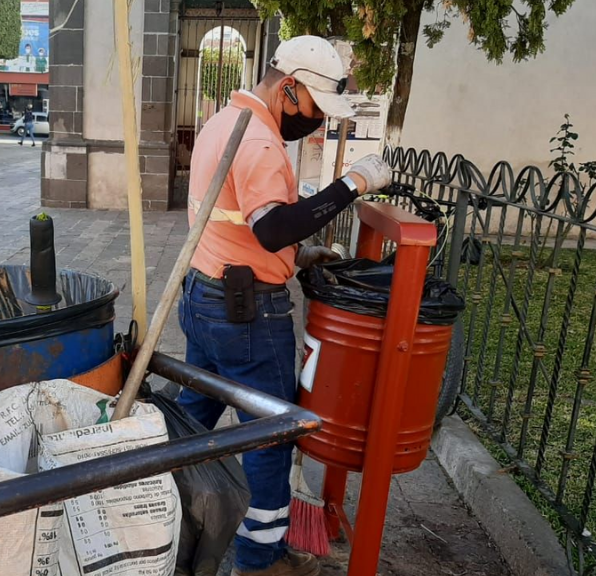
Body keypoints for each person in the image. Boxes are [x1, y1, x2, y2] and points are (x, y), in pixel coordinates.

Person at [178, 36, 392, 576]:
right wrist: (353, 183)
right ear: (289, 87)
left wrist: (300, 256)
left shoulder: (223, 123)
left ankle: (165, 520)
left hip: (205, 297)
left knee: (189, 420)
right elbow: (271, 227)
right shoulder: (261, 144)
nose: (316, 124)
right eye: (315, 109)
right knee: (272, 435)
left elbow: (239, 220)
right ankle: (261, 561)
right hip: (248, 314)